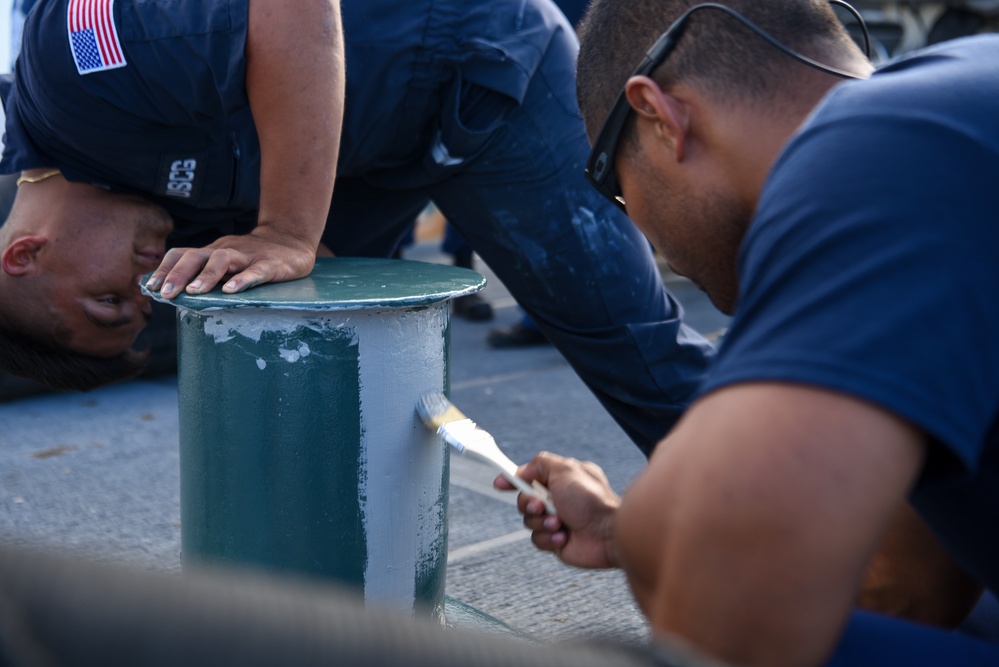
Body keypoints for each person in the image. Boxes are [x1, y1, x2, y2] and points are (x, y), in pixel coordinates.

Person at [498, 0, 999, 665]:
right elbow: (911, 584)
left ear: (657, 116)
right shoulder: (954, 115)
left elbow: (728, 601)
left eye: (612, 186)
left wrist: (658, 534)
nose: (650, 242)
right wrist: (624, 531)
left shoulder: (874, 149)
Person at [0, 0, 711, 455]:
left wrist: (285, 228)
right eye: (135, 310)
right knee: (302, 373)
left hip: (487, 72)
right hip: (377, 157)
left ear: (25, 253)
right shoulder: (125, 201)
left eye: (110, 301)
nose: (147, 290)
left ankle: (793, 527)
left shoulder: (78, 60)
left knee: (636, 358)